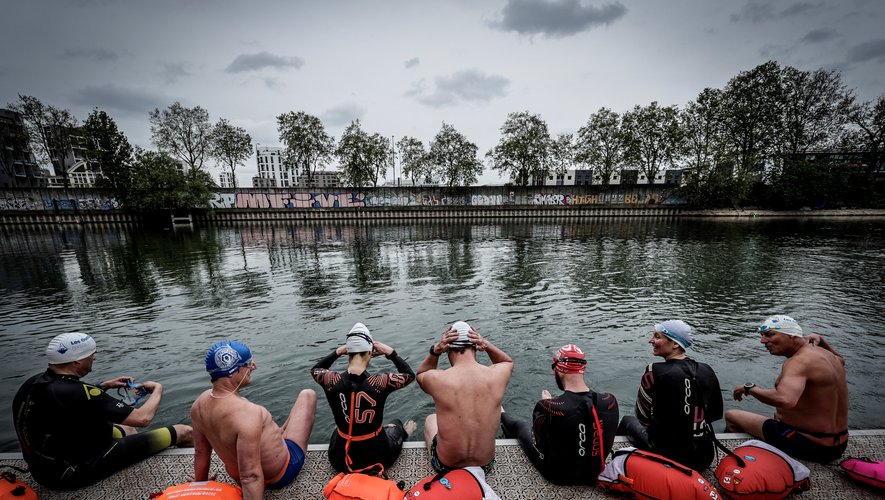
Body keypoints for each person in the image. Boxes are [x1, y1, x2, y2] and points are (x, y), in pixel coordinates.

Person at [12, 332, 193, 490]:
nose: (94, 358)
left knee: (127, 430)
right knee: (184, 431)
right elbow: (143, 418)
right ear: (77, 361)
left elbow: (67, 397)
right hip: (73, 473)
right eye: (92, 355)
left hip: (43, 469)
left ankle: (132, 457)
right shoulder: (78, 391)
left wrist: (103, 386)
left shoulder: (32, 383)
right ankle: (200, 479)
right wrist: (158, 389)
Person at [190, 340, 317, 499]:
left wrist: (199, 485)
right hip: (280, 473)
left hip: (236, 475)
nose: (254, 367)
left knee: (274, 428)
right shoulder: (250, 414)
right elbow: (250, 476)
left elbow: (201, 452)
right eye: (248, 364)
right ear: (232, 371)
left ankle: (279, 432)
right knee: (307, 395)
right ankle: (280, 434)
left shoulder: (198, 405)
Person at [725, 315, 849, 463]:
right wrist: (821, 340)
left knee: (731, 416)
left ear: (792, 335)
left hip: (809, 445)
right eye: (762, 335)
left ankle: (735, 458)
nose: (763, 341)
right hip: (839, 445)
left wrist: (749, 388)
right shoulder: (828, 355)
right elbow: (841, 360)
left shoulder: (798, 362)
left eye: (770, 334)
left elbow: (785, 399)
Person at [501, 344, 619, 485]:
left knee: (521, 427)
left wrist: (547, 405)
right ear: (583, 369)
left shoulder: (549, 407)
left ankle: (500, 412)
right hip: (596, 472)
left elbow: (540, 445)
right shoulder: (609, 401)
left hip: (558, 476)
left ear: (558, 369)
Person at [618, 320, 724, 471]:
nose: (651, 340)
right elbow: (714, 414)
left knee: (627, 421)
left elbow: (642, 416)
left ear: (675, 344)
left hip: (670, 456)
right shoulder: (707, 370)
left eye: (657, 336)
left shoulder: (653, 370)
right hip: (705, 456)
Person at [310, 322, 417, 474]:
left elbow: (315, 369)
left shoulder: (331, 380)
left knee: (339, 428)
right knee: (396, 424)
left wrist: (337, 352)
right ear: (369, 352)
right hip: (377, 458)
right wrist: (390, 353)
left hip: (339, 459)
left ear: (347, 353)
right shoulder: (380, 382)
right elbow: (409, 375)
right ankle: (404, 432)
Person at [417, 321, 514, 474]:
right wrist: (487, 344)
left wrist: (435, 351)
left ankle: (437, 464)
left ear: (448, 348)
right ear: (476, 346)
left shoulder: (439, 379)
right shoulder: (497, 375)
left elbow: (421, 374)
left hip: (446, 466)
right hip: (485, 466)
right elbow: (507, 361)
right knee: (498, 407)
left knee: (431, 419)